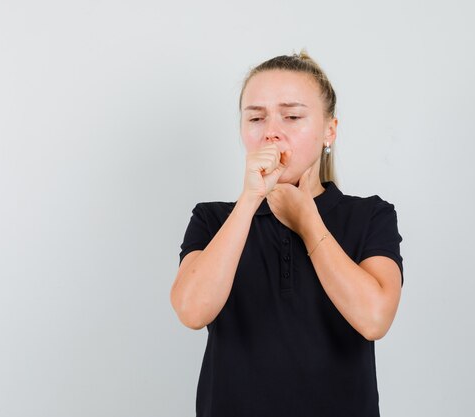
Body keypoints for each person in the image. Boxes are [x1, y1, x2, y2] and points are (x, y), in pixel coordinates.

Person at [170, 51, 404, 417]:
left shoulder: (370, 215)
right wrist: (250, 200)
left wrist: (308, 222)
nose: (271, 132)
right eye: (256, 118)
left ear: (330, 130)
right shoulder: (213, 219)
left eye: (292, 116)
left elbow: (374, 319)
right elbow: (191, 311)